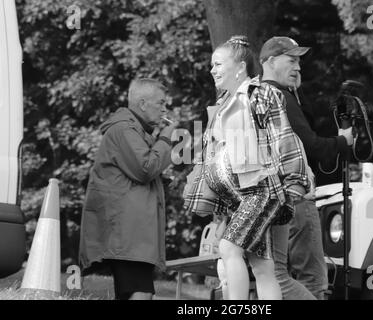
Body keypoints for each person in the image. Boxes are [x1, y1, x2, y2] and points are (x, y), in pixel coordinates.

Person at [184, 35, 310, 300]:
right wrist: (213, 200)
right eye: (212, 65)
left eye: (218, 64)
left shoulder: (260, 94)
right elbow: (213, 155)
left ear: (240, 66)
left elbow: (284, 137)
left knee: (230, 249)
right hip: (238, 199)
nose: (212, 70)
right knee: (262, 265)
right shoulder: (221, 105)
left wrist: (295, 178)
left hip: (260, 191)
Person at [259, 36, 354, 300]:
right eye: (291, 60)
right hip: (297, 198)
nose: (298, 67)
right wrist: (342, 142)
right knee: (312, 276)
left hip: (274, 199)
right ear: (269, 61)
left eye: (299, 62)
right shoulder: (281, 98)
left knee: (277, 274)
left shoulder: (259, 95)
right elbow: (309, 146)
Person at [78, 79, 178, 300]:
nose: (164, 109)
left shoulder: (136, 131)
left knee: (131, 292)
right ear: (142, 104)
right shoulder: (124, 129)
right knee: (141, 292)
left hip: (131, 234)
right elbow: (145, 169)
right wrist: (165, 139)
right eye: (160, 103)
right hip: (127, 233)